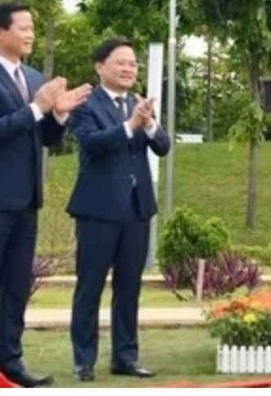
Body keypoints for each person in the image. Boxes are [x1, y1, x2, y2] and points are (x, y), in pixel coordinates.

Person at [66, 38, 171, 382]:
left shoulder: (137, 105)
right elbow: (91, 144)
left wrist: (150, 123)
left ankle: (126, 357)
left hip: (136, 211)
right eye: (121, 63)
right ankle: (84, 360)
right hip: (98, 211)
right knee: (90, 287)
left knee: (129, 287)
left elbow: (163, 147)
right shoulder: (86, 104)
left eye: (133, 64)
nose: (129, 69)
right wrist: (129, 127)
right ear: (100, 67)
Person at [0, 1, 91, 387]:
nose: (31, 33)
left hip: (26, 199)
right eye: (24, 26)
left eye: (34, 27)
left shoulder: (36, 77)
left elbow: (46, 139)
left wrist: (58, 115)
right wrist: (37, 108)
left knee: (16, 285)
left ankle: (10, 362)